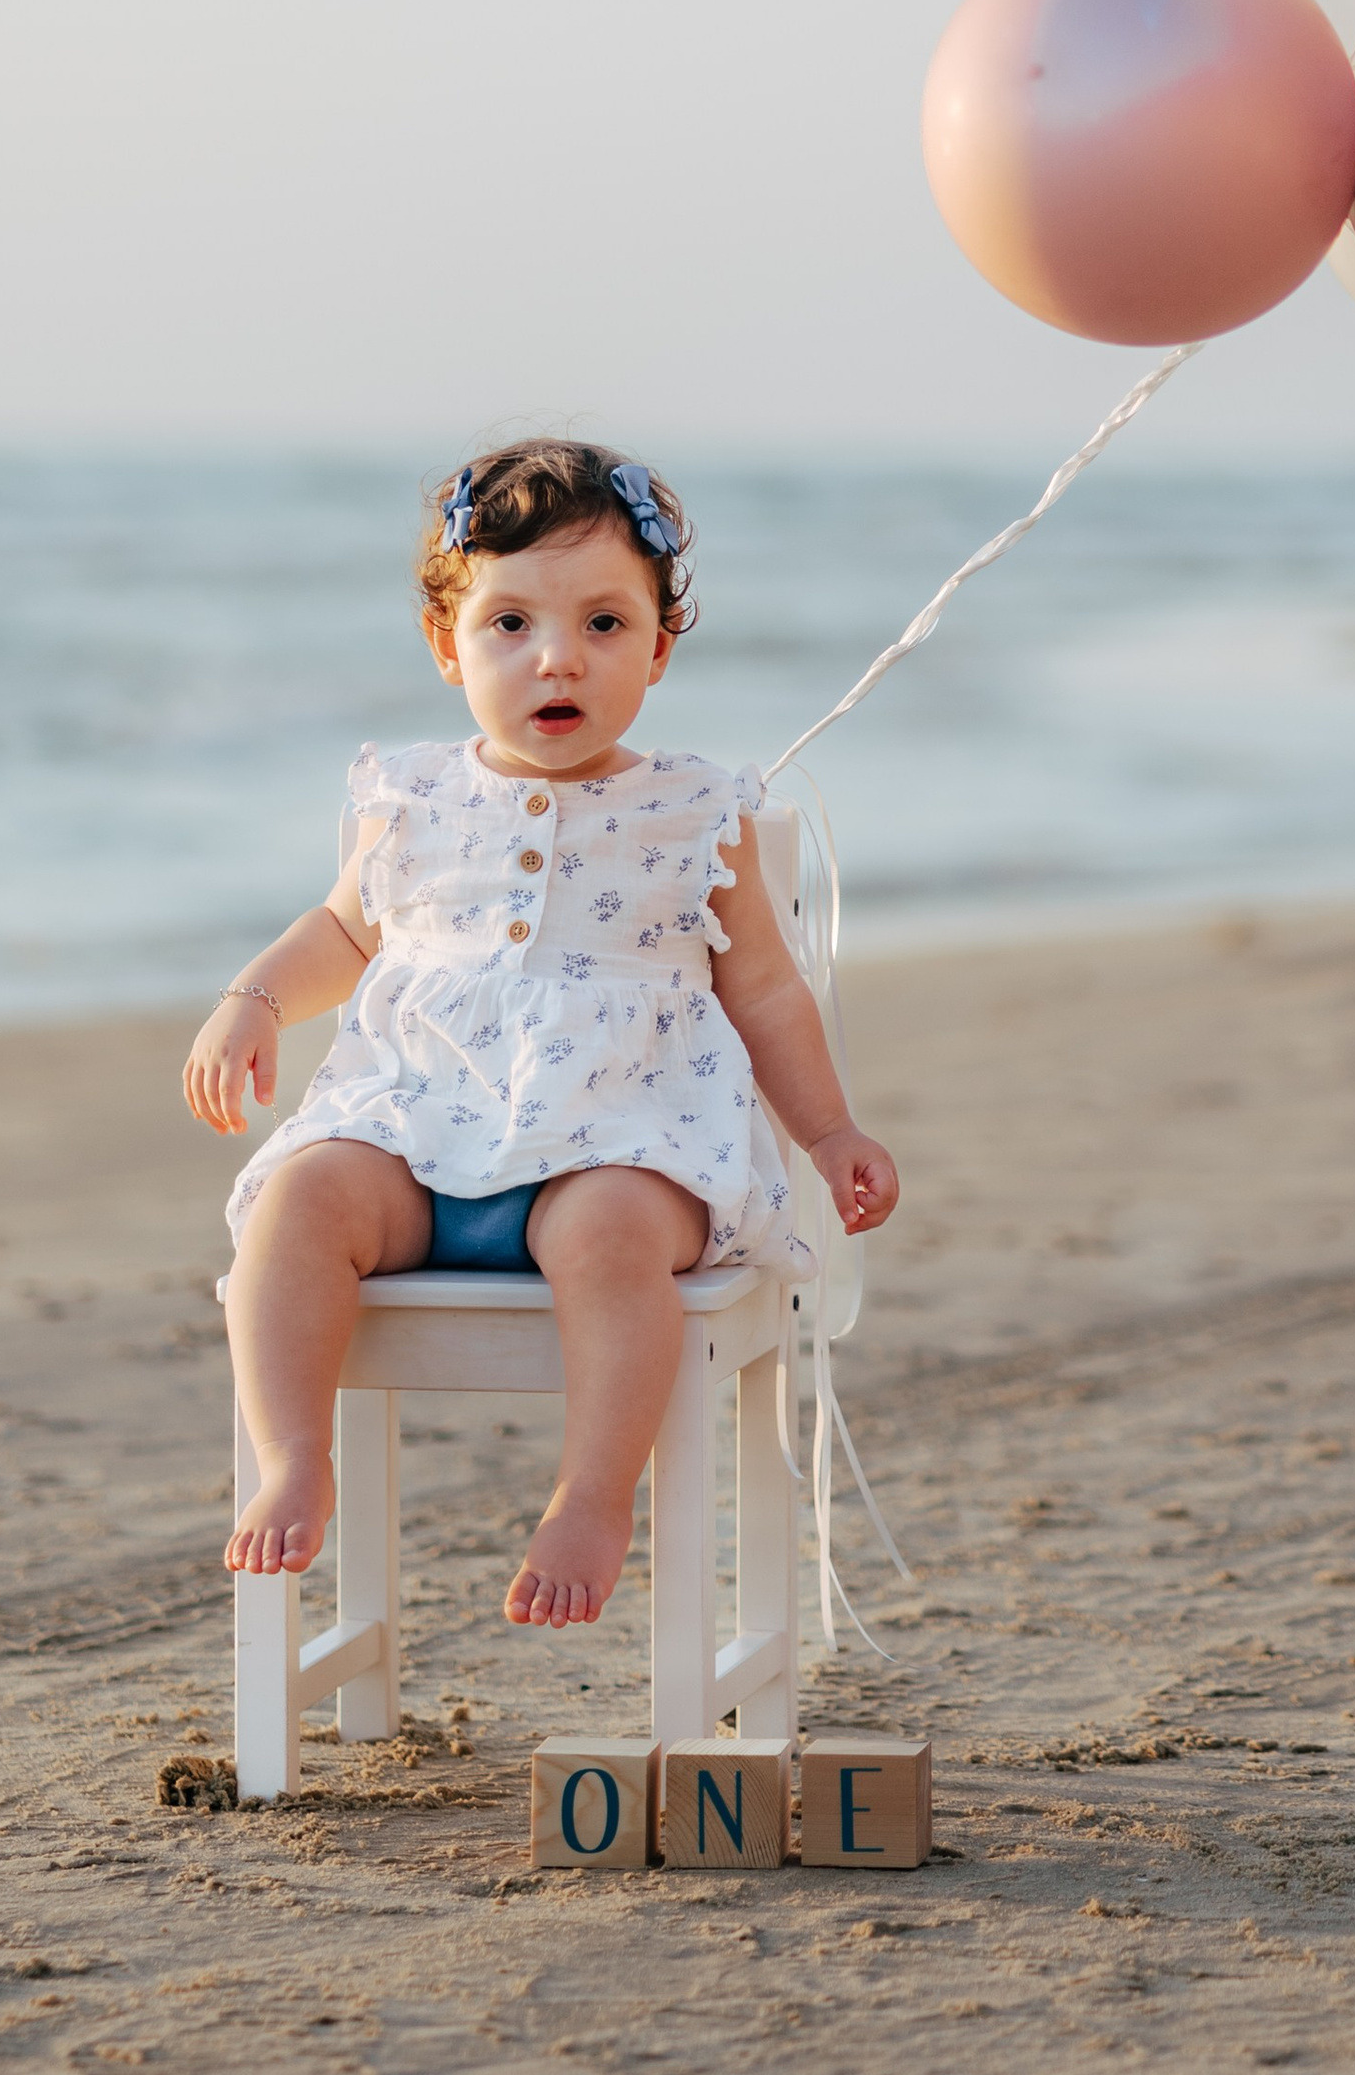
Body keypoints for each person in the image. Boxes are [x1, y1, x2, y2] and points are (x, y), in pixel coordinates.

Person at [184, 438, 899, 1633]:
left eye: (605, 625)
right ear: (444, 644)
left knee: (614, 1230)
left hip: (618, 1141)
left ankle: (590, 1494)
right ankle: (290, 1453)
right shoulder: (410, 795)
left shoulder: (691, 809)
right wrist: (253, 996)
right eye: (509, 622)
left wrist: (827, 1134)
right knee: (298, 1200)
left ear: (659, 651)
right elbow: (341, 933)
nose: (556, 657)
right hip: (415, 1137)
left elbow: (765, 993)